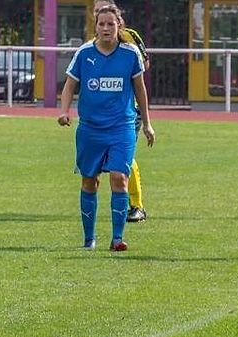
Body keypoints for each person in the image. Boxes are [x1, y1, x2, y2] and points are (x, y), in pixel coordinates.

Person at [57, 4, 155, 251]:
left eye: (111, 23)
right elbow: (69, 85)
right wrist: (64, 111)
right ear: (96, 27)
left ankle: (117, 239)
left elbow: (140, 89)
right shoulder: (84, 53)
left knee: (119, 177)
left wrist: (147, 123)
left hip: (121, 127)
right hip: (90, 129)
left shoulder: (130, 54)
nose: (106, 28)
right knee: (90, 181)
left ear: (119, 25)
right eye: (101, 24)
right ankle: (89, 240)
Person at [93, 0, 149, 223]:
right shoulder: (92, 44)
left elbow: (144, 64)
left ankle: (136, 206)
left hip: (128, 110)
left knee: (125, 158)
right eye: (96, 13)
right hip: (102, 115)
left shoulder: (130, 37)